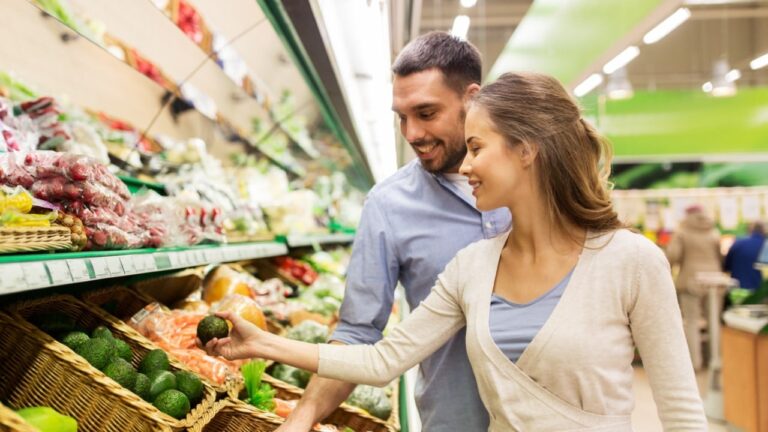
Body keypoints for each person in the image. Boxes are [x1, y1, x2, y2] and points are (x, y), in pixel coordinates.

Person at [202, 72, 706, 431]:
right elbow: (382, 360)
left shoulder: (631, 261)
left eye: (478, 148)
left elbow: (681, 411)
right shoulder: (473, 267)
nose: (465, 167)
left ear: (526, 149)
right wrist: (263, 345)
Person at [275, 32, 510, 431]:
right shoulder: (388, 205)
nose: (411, 133)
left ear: (471, 99)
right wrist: (303, 416)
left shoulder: (530, 183)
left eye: (426, 113)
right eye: (401, 117)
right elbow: (357, 333)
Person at [665, 204, 722, 371]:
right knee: (714, 321)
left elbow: (673, 256)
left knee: (691, 322)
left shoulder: (682, 231)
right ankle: (715, 360)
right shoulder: (713, 230)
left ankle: (694, 363)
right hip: (714, 281)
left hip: (690, 281)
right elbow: (720, 256)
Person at [724, 221, 766, 290]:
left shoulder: (737, 243)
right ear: (764, 231)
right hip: (758, 291)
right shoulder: (765, 245)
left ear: (750, 230)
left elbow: (727, 266)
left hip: (736, 289)